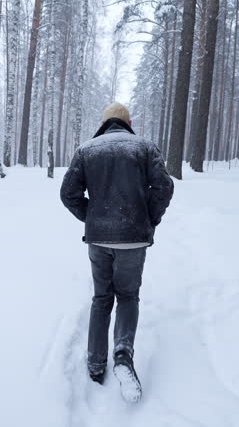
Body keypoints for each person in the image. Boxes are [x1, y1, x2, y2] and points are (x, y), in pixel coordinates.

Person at [60, 102, 174, 402]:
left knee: (101, 298)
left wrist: (92, 217)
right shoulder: (144, 147)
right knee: (127, 296)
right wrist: (148, 219)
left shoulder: (87, 149)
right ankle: (123, 353)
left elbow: (68, 193)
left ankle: (96, 363)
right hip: (133, 240)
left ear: (104, 122)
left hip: (98, 240)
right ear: (128, 122)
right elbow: (164, 187)